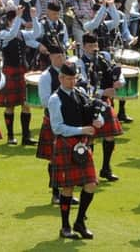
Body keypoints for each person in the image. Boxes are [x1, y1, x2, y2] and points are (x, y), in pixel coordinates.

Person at [48, 60, 102, 239]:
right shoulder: (55, 99)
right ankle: (65, 226)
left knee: (91, 184)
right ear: (60, 77)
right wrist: (81, 130)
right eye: (69, 79)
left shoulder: (81, 93)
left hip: (82, 144)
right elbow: (57, 128)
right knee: (68, 188)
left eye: (74, 78)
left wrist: (97, 121)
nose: (72, 82)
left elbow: (95, 114)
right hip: (66, 143)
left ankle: (79, 222)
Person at [75, 33, 124, 181]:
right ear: (83, 47)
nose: (93, 49)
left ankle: (106, 168)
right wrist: (103, 91)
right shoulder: (79, 63)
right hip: (88, 103)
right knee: (90, 138)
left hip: (105, 103)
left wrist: (119, 82)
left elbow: (117, 71)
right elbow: (82, 86)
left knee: (109, 137)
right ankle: (87, 171)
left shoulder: (104, 57)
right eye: (90, 46)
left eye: (95, 45)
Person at [0, 5, 41, 145]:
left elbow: (37, 33)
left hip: (23, 70)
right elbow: (11, 34)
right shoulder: (2, 34)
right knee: (9, 106)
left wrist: (34, 17)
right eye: (15, 19)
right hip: (9, 71)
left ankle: (26, 137)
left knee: (26, 104)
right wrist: (18, 17)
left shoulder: (23, 34)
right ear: (10, 21)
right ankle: (10, 136)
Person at [36, 43, 69, 204]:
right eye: (57, 56)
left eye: (62, 56)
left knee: (68, 159)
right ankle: (55, 192)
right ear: (50, 57)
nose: (61, 59)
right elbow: (44, 101)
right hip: (53, 119)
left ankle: (66, 191)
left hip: (70, 120)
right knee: (54, 159)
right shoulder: (46, 76)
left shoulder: (69, 73)